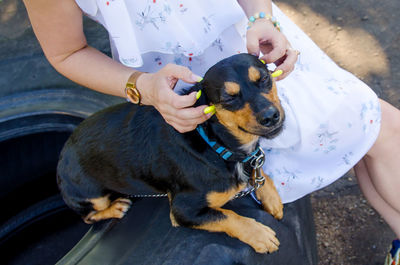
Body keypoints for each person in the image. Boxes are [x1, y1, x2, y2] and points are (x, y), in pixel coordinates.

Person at [23, 0, 400, 263]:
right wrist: (143, 86)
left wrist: (260, 18)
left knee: (374, 130)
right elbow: (66, 52)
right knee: (380, 132)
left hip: (251, 44)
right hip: (176, 83)